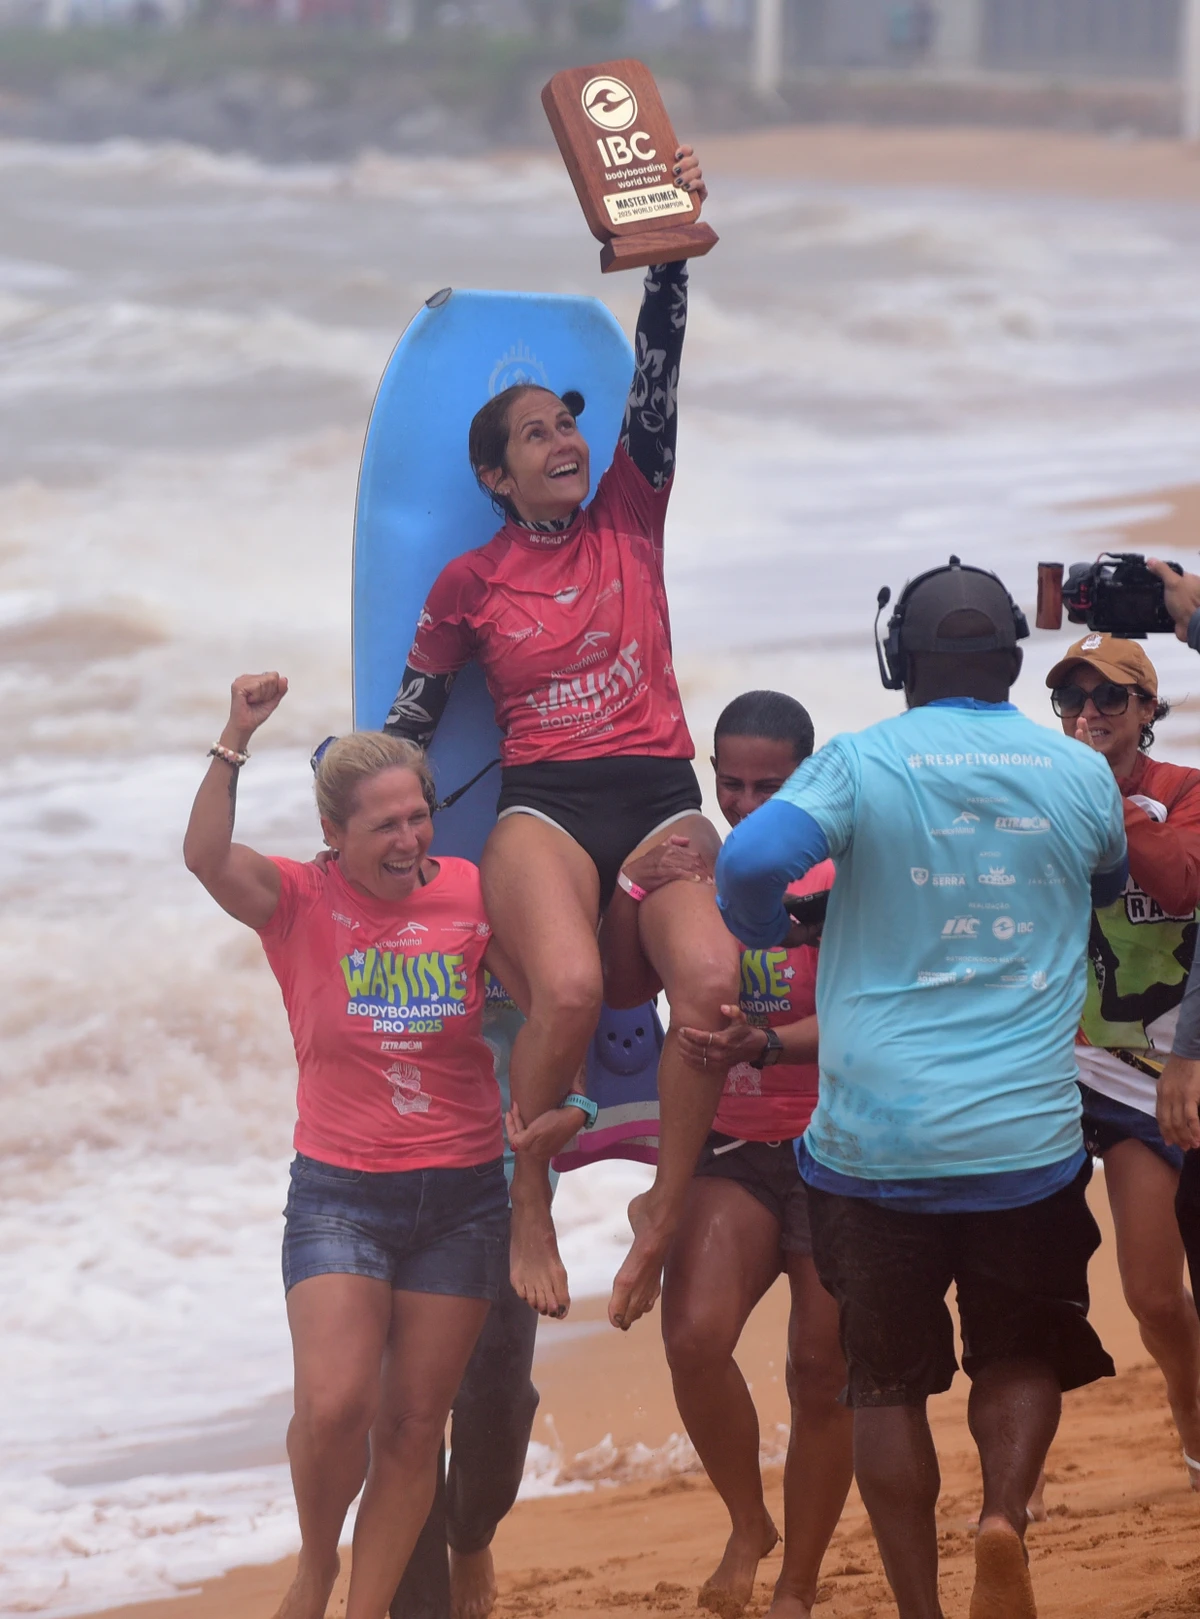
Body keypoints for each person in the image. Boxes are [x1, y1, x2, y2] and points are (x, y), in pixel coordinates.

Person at [715, 559, 1127, 1619]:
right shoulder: (1078, 769)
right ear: (1009, 661)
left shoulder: (856, 764)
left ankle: (921, 1609)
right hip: (1025, 1140)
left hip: (874, 1148)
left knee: (885, 1380)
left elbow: (755, 857)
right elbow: (1108, 881)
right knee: (1022, 1346)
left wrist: (770, 925)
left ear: (900, 663)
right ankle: (1002, 1518)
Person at [382, 146, 743, 1332]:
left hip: (659, 795)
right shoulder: (466, 582)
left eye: (567, 425)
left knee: (710, 983)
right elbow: (414, 725)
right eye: (535, 434)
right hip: (545, 805)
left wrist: (667, 256)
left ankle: (664, 1202)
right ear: (496, 471)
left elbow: (657, 376)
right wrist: (376, 833)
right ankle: (528, 1185)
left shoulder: (632, 512)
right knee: (573, 987)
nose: (564, 441)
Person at [184, 673, 509, 1619]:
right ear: (335, 836)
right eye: (386, 826)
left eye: (419, 816)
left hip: (461, 1194)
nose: (411, 841)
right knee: (334, 1409)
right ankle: (317, 1560)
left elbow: (552, 991)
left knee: (415, 1425)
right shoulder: (296, 899)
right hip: (341, 1191)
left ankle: (360, 1611)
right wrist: (235, 735)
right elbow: (204, 855)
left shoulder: (473, 893)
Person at [602, 690, 851, 1619]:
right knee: (697, 1338)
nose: (744, 805)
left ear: (807, 779)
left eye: (768, 786)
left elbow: (881, 1011)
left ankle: (797, 1583)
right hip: (731, 1142)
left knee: (822, 1370)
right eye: (729, 782)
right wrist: (633, 879)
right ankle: (750, 1521)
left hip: (839, 1143)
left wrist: (775, 1044)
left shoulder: (842, 864)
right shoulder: (688, 866)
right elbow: (624, 987)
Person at [1046, 632, 1200, 1489]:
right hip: (1059, 1070)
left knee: (1149, 1293)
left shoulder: (1183, 792)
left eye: (1109, 698)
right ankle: (1020, 1477)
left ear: (1146, 707)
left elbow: (1181, 884)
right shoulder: (1039, 794)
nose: (1089, 714)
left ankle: (1187, 1405)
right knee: (1033, 1281)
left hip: (1159, 1076)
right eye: (1073, 699)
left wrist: (1102, 797)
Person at [390, 980, 541, 1619]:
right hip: (387, 1168)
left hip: (503, 1166)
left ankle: (472, 1529)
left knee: (499, 1396)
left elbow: (575, 990)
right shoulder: (376, 881)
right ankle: (419, 1607)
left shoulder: (521, 882)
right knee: (405, 1414)